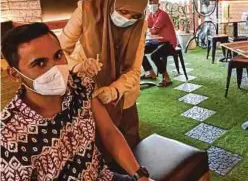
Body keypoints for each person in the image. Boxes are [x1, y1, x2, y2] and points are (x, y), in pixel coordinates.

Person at [0, 23, 153, 181]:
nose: (56, 68)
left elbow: (109, 131)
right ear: (14, 74)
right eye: (40, 63)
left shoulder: (80, 86)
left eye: (58, 56)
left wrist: (140, 175)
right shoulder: (8, 138)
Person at [59, 0, 149, 149]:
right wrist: (79, 66)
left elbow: (134, 69)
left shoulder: (140, 24)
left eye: (134, 16)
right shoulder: (87, 10)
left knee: (129, 144)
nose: (127, 19)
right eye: (123, 12)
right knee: (94, 147)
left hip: (124, 97)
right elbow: (59, 51)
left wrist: (114, 91)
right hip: (88, 93)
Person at [142, 0, 178, 87]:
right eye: (151, 3)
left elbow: (154, 30)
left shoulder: (163, 15)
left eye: (155, 3)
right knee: (140, 50)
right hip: (158, 41)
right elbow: (145, 27)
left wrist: (147, 29)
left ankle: (166, 78)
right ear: (148, 4)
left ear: (158, 4)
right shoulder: (151, 15)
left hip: (169, 42)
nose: (153, 5)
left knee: (155, 55)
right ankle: (150, 72)